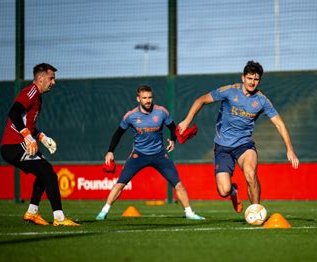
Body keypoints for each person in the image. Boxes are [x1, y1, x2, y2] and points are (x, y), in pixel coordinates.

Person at [177, 61, 299, 212]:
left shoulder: (261, 100)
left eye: (256, 79)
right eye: (249, 78)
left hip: (244, 146)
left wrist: (290, 149)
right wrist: (187, 121)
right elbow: (201, 100)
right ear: (243, 78)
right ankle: (233, 191)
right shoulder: (229, 91)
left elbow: (279, 124)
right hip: (222, 147)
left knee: (250, 174)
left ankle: (256, 211)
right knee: (223, 191)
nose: (252, 82)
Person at [96, 85, 204, 221]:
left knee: (178, 184)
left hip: (159, 155)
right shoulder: (131, 116)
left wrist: (173, 140)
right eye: (144, 98)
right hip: (138, 155)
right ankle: (103, 212)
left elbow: (173, 127)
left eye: (150, 97)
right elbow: (118, 133)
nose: (148, 100)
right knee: (120, 184)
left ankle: (189, 213)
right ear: (138, 99)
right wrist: (110, 151)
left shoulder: (161, 112)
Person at [0, 63, 80, 226]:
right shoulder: (32, 91)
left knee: (45, 172)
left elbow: (28, 124)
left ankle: (32, 213)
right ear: (41, 78)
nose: (54, 82)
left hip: (18, 144)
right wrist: (27, 136)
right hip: (14, 145)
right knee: (49, 174)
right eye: (51, 78)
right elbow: (13, 112)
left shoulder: (38, 97)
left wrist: (42, 137)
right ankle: (59, 218)